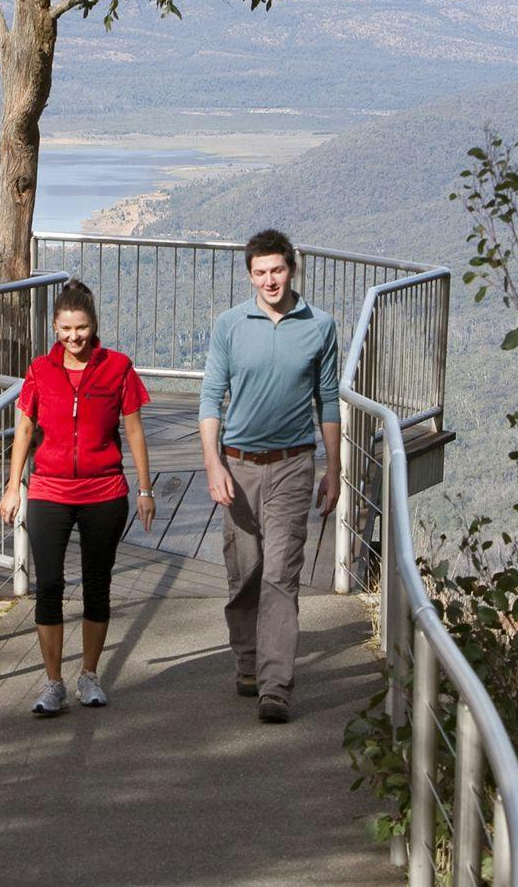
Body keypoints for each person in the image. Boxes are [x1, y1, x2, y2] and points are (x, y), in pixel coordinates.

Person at [198, 228, 339, 723]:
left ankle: (276, 685)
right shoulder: (230, 324)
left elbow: (328, 401)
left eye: (277, 270)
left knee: (281, 574)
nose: (270, 280)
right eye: (260, 272)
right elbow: (210, 397)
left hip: (293, 464)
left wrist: (333, 467)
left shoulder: (320, 325)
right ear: (250, 276)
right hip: (238, 466)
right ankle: (248, 661)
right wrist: (213, 463)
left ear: (292, 269)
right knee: (246, 572)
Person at [0, 279, 155, 716]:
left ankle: (89, 675)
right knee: (48, 585)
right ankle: (53, 683)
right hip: (49, 490)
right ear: (54, 327)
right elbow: (25, 428)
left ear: (94, 325)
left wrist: (145, 489)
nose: (74, 337)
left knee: (96, 584)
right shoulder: (39, 370)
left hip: (105, 492)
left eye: (81, 328)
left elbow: (134, 430)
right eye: (66, 329)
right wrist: (12, 486)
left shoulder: (118, 367)